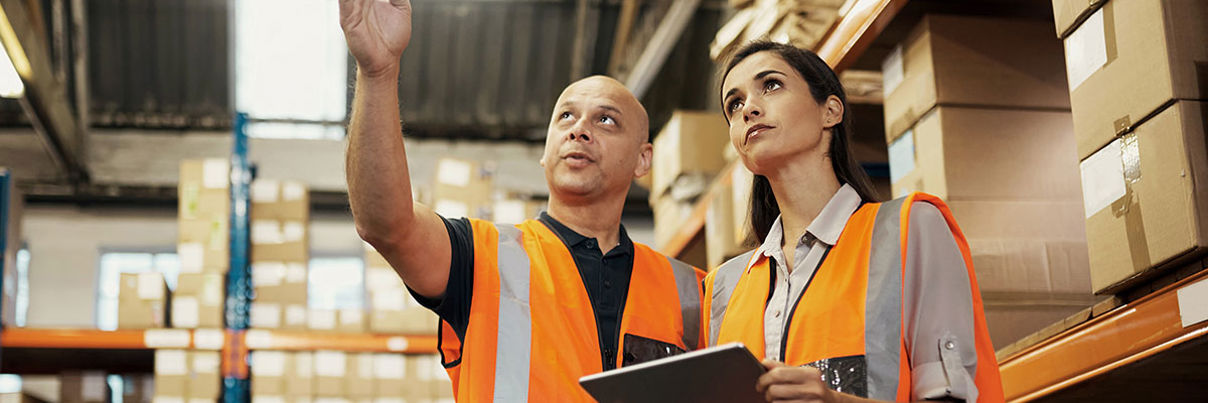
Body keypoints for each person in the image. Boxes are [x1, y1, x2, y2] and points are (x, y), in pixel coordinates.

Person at [338, 0, 706, 401]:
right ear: (545, 153)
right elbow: (385, 224)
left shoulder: (691, 293)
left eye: (605, 120)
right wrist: (378, 72)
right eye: (565, 117)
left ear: (642, 159)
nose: (579, 130)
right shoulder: (481, 258)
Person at [704, 40, 1004, 402]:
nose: (749, 108)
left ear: (830, 110)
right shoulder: (723, 287)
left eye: (770, 85)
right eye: (734, 105)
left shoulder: (910, 229)